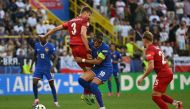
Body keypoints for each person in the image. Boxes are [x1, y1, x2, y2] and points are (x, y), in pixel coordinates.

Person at [42, 6, 95, 104]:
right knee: (93, 71)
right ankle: (88, 93)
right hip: (82, 47)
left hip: (74, 49)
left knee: (86, 72)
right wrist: (88, 49)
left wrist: (45, 36)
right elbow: (83, 34)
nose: (89, 17)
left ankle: (86, 93)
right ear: (85, 13)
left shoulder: (71, 21)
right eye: (89, 15)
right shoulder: (84, 20)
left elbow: (56, 28)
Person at [137, 31, 182, 109]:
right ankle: (177, 104)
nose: (142, 41)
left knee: (155, 97)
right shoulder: (155, 47)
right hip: (168, 72)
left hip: (163, 73)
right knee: (159, 94)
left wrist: (142, 77)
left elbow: (151, 66)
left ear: (145, 40)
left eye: (142, 39)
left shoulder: (150, 49)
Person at [75, 33, 113, 109]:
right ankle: (94, 92)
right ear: (93, 39)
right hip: (97, 68)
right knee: (81, 80)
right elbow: (82, 47)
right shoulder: (90, 44)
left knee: (93, 85)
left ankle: (102, 107)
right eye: (95, 41)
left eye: (98, 42)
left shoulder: (105, 47)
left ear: (101, 41)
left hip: (106, 68)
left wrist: (82, 60)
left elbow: (97, 62)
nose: (96, 43)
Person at [30, 35, 59, 107]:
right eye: (39, 38)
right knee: (34, 82)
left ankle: (55, 101)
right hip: (39, 67)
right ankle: (36, 99)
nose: (40, 39)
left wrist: (53, 66)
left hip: (48, 68)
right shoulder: (37, 45)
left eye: (41, 38)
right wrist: (31, 66)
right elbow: (34, 55)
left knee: (51, 84)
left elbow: (56, 57)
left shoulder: (50, 46)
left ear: (45, 38)